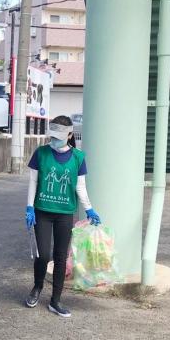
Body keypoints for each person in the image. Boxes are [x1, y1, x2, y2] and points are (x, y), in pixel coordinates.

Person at [25, 115, 101, 318]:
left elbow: (80, 187)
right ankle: (37, 287)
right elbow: (33, 181)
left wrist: (89, 209)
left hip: (65, 213)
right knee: (43, 255)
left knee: (60, 258)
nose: (54, 140)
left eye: (59, 137)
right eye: (53, 136)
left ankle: (55, 300)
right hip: (42, 211)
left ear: (69, 135)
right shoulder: (41, 153)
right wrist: (29, 207)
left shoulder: (78, 157)